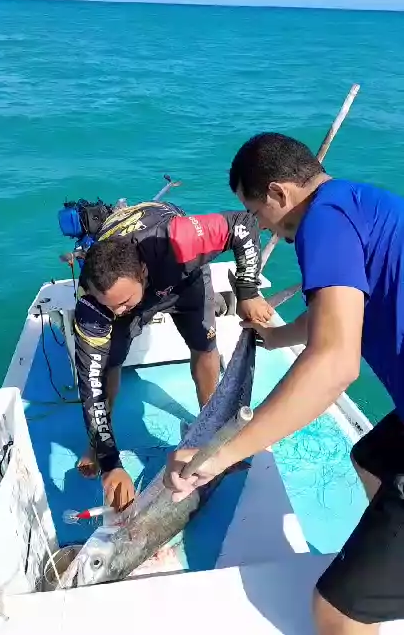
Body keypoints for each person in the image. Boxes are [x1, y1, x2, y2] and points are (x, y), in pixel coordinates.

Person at [165, 132, 404, 635]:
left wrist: (220, 454)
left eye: (258, 213)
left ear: (278, 193)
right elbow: (337, 312)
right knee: (370, 458)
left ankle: (369, 591)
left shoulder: (323, 222)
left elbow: (335, 363)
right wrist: (276, 337)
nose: (264, 227)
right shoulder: (359, 203)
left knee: (337, 613)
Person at [73, 199, 273, 512]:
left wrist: (247, 291)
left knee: (204, 348)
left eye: (123, 302)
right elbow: (91, 385)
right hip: (135, 288)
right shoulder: (95, 306)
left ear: (142, 272)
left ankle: (211, 426)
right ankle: (99, 444)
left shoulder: (176, 239)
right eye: (111, 306)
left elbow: (243, 224)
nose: (118, 312)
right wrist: (111, 463)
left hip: (183, 281)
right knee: (107, 368)